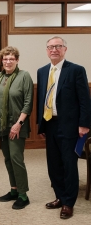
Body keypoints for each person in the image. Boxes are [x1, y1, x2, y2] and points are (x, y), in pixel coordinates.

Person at [37, 36, 91, 219]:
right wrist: (41, 125)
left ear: (65, 49)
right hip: (50, 123)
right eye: (50, 47)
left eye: (58, 46)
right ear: (46, 50)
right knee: (54, 164)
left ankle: (69, 202)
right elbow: (41, 100)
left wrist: (84, 124)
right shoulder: (42, 71)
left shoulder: (76, 70)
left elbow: (85, 100)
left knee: (69, 164)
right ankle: (60, 196)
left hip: (70, 126)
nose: (54, 49)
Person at [0, 46, 33, 210]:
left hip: (17, 125)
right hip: (2, 126)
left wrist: (18, 124)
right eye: (5, 59)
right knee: (7, 159)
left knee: (16, 159)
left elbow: (28, 104)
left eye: (11, 59)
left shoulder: (24, 76)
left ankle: (23, 195)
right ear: (1, 61)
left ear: (17, 60)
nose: (8, 61)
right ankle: (14, 190)